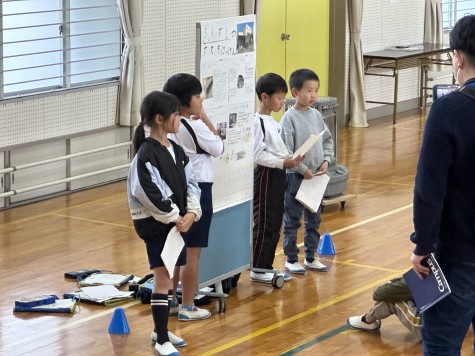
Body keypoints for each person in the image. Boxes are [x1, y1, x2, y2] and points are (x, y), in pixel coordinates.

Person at [409, 15, 475, 355]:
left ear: (458, 57)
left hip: (457, 257)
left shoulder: (449, 109)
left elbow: (428, 189)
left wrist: (423, 245)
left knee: (441, 347)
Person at [127, 91, 202, 355]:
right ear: (159, 119)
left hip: (177, 225)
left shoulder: (177, 150)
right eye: (175, 116)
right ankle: (161, 339)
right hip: (158, 226)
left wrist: (192, 212)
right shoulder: (146, 155)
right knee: (162, 279)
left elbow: (191, 183)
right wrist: (175, 216)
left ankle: (160, 330)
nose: (180, 120)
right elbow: (148, 193)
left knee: (170, 277)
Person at [163, 73, 224, 321]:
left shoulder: (167, 125)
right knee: (192, 253)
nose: (202, 101)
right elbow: (218, 147)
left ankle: (170, 300)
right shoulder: (195, 125)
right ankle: (188, 306)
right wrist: (206, 119)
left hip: (173, 189)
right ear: (186, 101)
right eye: (198, 96)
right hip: (198, 190)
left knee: (176, 249)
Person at [280, 68, 334, 274]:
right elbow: (287, 151)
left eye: (316, 91)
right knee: (292, 219)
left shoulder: (317, 115)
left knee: (314, 219)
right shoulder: (288, 118)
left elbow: (327, 140)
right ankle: (291, 258)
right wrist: (303, 169)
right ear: (295, 92)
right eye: (308, 91)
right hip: (296, 177)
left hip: (316, 178)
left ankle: (311, 257)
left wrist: (327, 161)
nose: (313, 96)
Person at [251, 73, 302, 283]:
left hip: (278, 174)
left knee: (274, 222)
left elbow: (276, 149)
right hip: (265, 176)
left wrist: (290, 159)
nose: (282, 102)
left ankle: (266, 265)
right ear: (265, 97)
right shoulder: (257, 122)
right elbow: (258, 155)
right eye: (279, 98)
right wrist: (283, 162)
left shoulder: (273, 121)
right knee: (264, 222)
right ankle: (258, 267)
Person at [347, 277, 421, 339]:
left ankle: (367, 320)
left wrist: (389, 283)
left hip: (428, 329)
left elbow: (380, 293)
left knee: (393, 299)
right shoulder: (430, 269)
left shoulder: (426, 272)